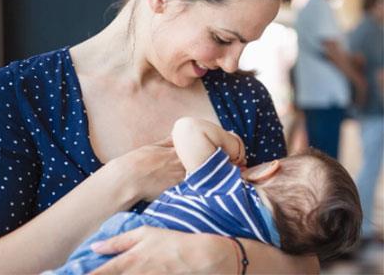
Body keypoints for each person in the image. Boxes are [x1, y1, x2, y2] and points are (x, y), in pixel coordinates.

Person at [0, 0, 319, 273]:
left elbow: (305, 265)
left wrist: (224, 258)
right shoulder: (18, 97)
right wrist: (127, 179)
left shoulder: (245, 101)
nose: (232, 64)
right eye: (221, 38)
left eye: (245, 44)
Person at [44, 117, 361, 274]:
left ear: (266, 170)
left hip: (130, 247)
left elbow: (187, 129)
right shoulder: (269, 245)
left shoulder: (228, 187)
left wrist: (231, 143)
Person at [294, 0, 366, 159]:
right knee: (326, 160)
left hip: (318, 95)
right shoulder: (319, 5)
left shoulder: (317, 4)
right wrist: (357, 80)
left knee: (321, 157)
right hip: (324, 97)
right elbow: (332, 50)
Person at [349, 0, 384, 245]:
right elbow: (378, 74)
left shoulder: (364, 30)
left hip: (370, 108)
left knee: (370, 168)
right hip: (374, 109)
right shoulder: (371, 31)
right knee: (369, 169)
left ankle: (365, 228)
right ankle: (362, 229)